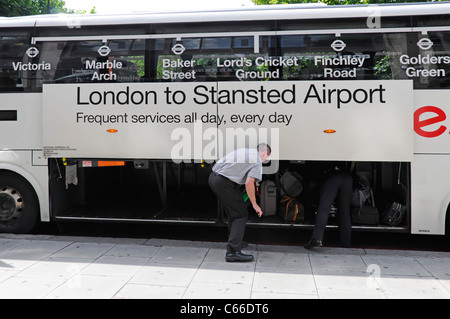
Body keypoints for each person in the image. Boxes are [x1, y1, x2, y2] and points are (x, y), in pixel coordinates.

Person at [209, 144, 271, 262]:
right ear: (264, 154)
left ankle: (234, 241)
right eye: (266, 158)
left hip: (213, 178)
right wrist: (254, 204)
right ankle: (233, 252)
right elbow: (249, 183)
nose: (264, 160)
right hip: (224, 183)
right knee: (241, 215)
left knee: (234, 212)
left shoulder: (244, 151)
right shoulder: (257, 160)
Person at [304, 163, 353, 250]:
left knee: (324, 208)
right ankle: (346, 243)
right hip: (347, 178)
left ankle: (317, 238)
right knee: (345, 212)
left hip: (332, 177)